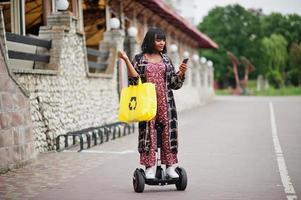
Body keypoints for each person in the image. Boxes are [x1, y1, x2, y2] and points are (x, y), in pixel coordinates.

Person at [118, 27, 187, 179]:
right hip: (146, 103)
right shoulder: (140, 59)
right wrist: (126, 60)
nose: (162, 42)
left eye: (163, 39)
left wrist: (181, 73)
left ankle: (170, 167)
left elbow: (174, 84)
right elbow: (134, 81)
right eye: (158, 39)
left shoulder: (166, 59)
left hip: (166, 103)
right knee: (149, 134)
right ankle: (149, 167)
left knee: (168, 134)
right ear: (150, 40)